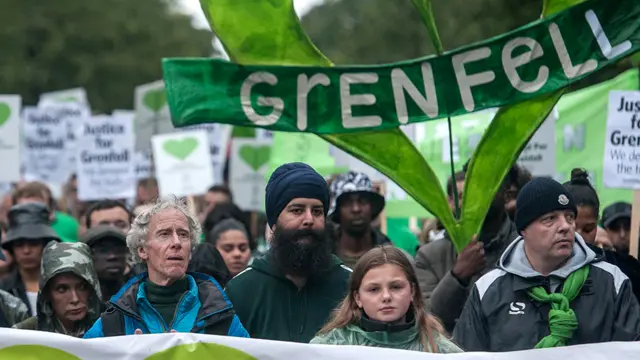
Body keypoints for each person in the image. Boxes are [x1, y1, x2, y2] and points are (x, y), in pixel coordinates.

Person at [453, 177, 640, 351]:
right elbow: (466, 354)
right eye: (550, 219)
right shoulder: (488, 290)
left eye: (569, 217)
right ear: (524, 229)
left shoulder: (612, 282)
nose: (565, 226)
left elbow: (631, 351)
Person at [83, 197, 249, 337]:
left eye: (183, 235)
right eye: (164, 234)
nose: (176, 242)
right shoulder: (115, 320)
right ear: (142, 250)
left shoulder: (220, 316)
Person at [225, 162, 351, 343]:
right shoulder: (241, 290)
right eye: (297, 210)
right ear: (274, 223)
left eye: (317, 211)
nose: (309, 219)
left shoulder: (350, 286)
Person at [414, 167, 518, 332]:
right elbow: (426, 318)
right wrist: (457, 277)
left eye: (482, 191)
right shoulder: (429, 256)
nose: (473, 201)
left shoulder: (526, 246)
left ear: (505, 195)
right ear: (450, 203)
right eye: (462, 196)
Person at [310, 246, 461, 353]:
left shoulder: (438, 350)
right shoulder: (331, 346)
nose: (386, 297)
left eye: (396, 287)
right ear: (358, 298)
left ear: (412, 291)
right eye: (374, 289)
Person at [563, 169, 640, 302]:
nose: (579, 237)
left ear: (597, 224)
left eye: (588, 229)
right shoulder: (539, 267)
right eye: (573, 228)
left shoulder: (621, 270)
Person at [13, 242, 102, 337]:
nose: (75, 299)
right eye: (62, 289)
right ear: (47, 293)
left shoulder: (110, 326)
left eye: (82, 287)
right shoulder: (25, 334)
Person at [0, 203, 60, 315]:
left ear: (45, 245)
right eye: (19, 245)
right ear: (11, 248)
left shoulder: (64, 284)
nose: (26, 251)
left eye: (34, 243)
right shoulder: (2, 290)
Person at [327, 171, 391, 269]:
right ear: (338, 209)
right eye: (347, 202)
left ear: (372, 206)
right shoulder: (321, 259)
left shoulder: (392, 258)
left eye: (363, 201)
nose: (356, 209)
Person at [12, 182, 78, 243]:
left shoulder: (70, 224)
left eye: (36, 207)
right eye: (24, 209)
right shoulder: (11, 229)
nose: (31, 212)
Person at [81, 225, 129, 302]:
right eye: (102, 250)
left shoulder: (139, 295)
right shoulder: (77, 301)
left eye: (119, 250)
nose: (112, 256)